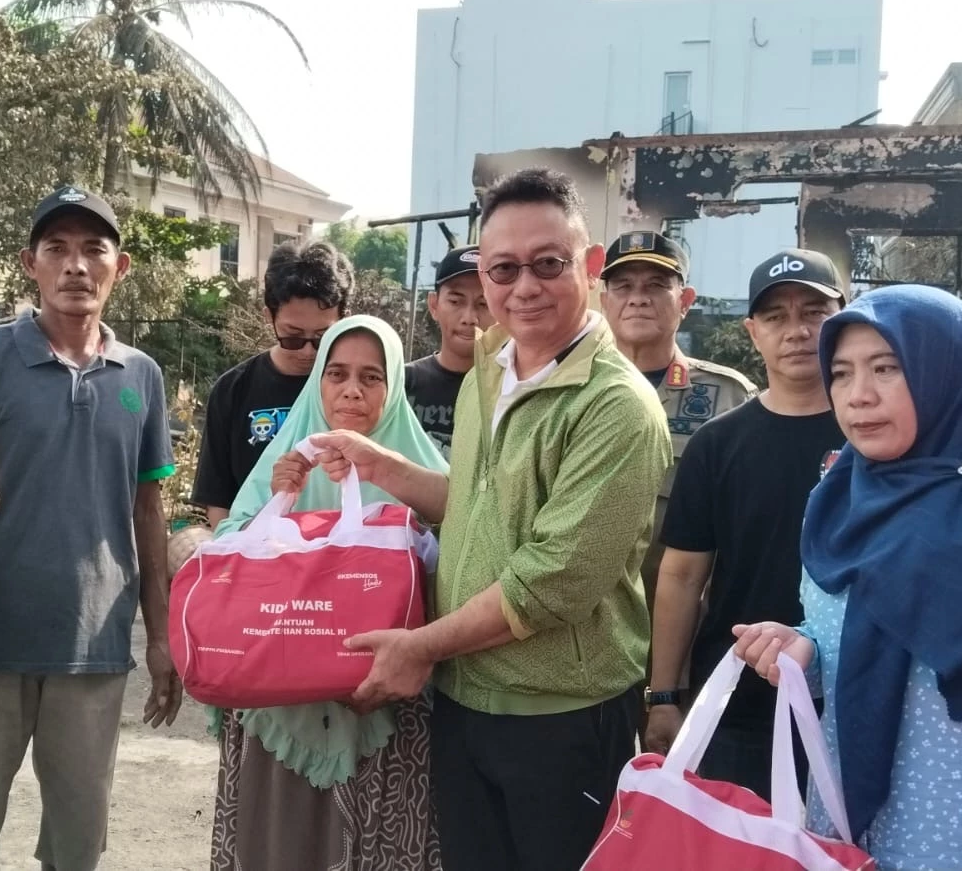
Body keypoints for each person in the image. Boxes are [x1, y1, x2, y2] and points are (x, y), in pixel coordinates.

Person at [292, 168, 670, 870]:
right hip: (466, 703)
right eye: (504, 268)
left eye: (548, 263)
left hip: (560, 716)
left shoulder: (615, 406)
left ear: (588, 265)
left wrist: (420, 647)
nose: (524, 286)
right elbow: (475, 505)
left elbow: (550, 582)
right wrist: (381, 466)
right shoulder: (487, 375)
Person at [734, 284, 962, 871]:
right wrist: (804, 650)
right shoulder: (838, 494)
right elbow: (847, 638)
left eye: (887, 368)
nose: (859, 395)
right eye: (842, 373)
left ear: (942, 369)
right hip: (842, 837)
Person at [0, 185, 180, 871]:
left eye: (93, 249)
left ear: (119, 266)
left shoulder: (141, 375)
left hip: (92, 646)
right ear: (31, 263)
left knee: (78, 844)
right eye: (57, 249)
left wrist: (161, 638)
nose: (76, 265)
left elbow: (147, 512)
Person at [207, 314, 446, 871]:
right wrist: (277, 503)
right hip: (281, 705)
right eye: (336, 374)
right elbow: (227, 560)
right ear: (318, 382)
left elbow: (462, 559)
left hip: (388, 705)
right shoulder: (285, 459)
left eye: (371, 377)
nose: (351, 390)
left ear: (394, 386)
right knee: (278, 846)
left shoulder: (423, 472)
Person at [642, 249, 847, 797]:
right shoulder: (717, 443)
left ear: (843, 320)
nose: (796, 331)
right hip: (735, 702)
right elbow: (682, 576)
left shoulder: (872, 437)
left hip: (850, 701)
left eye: (814, 313)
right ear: (753, 332)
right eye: (776, 317)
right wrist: (664, 696)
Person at [599, 230, 756, 603]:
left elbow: (748, 521)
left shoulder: (730, 397)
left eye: (656, 285)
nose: (638, 298)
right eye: (623, 286)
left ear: (685, 301)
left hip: (683, 614)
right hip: (587, 616)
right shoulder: (572, 391)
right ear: (604, 301)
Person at [192, 241, 353, 528]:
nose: (308, 352)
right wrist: (239, 546)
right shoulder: (233, 390)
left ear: (344, 320)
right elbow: (218, 500)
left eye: (322, 337)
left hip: (341, 546)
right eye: (293, 336)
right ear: (269, 316)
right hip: (257, 545)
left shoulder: (356, 390)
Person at [405, 244, 493, 455]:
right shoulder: (402, 383)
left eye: (483, 304)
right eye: (455, 301)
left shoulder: (510, 390)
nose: (469, 318)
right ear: (434, 305)